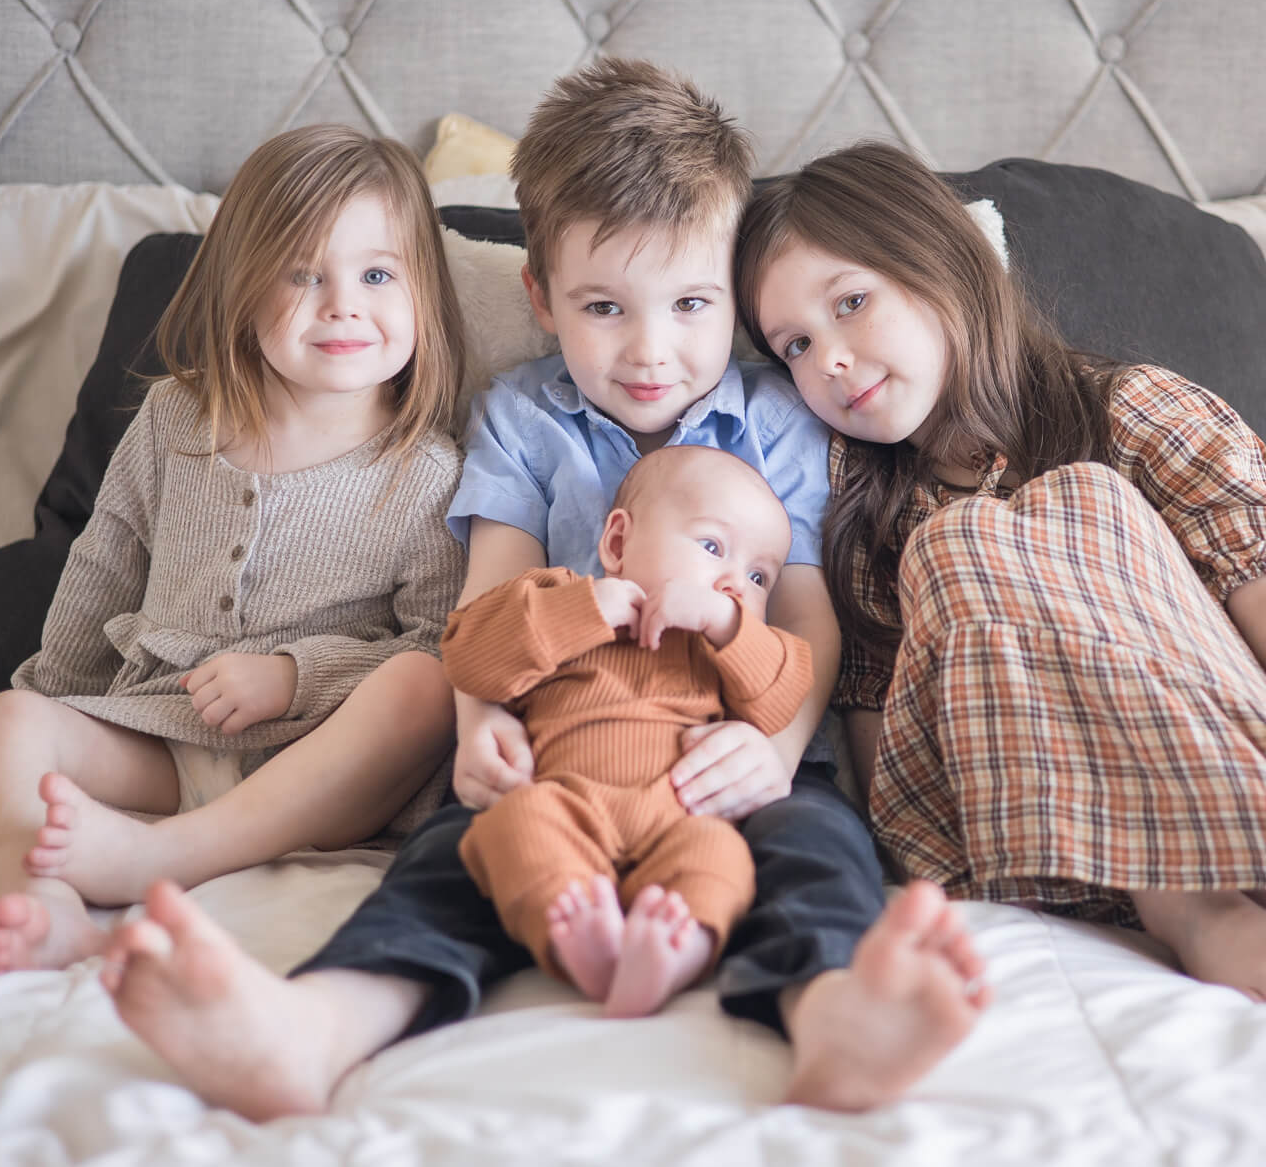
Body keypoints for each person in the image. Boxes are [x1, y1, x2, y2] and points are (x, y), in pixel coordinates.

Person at [99, 59, 990, 1119]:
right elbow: (482, 612)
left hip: (730, 750)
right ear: (540, 296)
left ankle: (833, 1014)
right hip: (555, 755)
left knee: (814, 848)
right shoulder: (523, 418)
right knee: (449, 860)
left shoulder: (777, 418)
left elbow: (804, 612)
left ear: (736, 306)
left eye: (691, 304)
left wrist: (776, 748)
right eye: (603, 306)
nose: (650, 350)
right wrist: (478, 728)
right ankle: (319, 1022)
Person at [735, 140, 1266, 1009]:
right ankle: (1187, 903)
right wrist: (915, 860)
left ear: (945, 267)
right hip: (1025, 818)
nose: (829, 360)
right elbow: (889, 742)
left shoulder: (1126, 406)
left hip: (1206, 753)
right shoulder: (871, 520)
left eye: (851, 302)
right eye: (795, 344)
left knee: (1079, 498)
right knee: (963, 542)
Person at [0, 124, 473, 975]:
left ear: (423, 297)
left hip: (322, 758)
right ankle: (40, 905)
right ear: (242, 286)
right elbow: (103, 564)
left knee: (426, 684)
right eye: (303, 273)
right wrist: (47, 706)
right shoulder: (175, 421)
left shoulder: (426, 472)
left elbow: (437, 641)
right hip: (165, 726)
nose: (341, 304)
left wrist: (295, 675)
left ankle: (171, 856)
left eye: (376, 274)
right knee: (4, 724)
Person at [450, 446, 813, 1017]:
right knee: (516, 828)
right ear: (618, 543)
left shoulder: (722, 646)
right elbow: (469, 655)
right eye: (713, 547)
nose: (735, 584)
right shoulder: (557, 598)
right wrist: (582, 609)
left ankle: (675, 949)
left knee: (721, 858)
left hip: (682, 816)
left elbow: (784, 694)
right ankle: (575, 937)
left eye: (758, 576)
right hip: (564, 802)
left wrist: (725, 625)